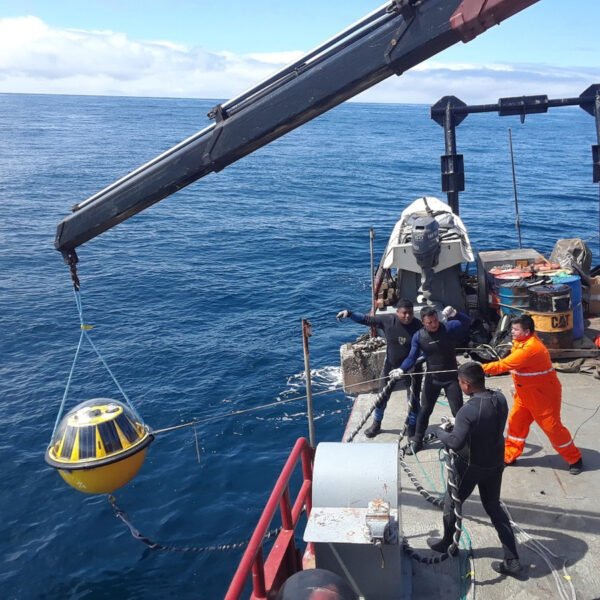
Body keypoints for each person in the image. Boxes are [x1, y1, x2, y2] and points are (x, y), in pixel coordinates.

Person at [428, 362, 523, 578]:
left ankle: (446, 543)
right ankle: (512, 559)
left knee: (451, 502)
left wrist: (438, 431)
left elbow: (454, 442)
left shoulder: (468, 410)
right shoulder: (499, 398)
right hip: (496, 463)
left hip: (471, 466)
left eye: (460, 383)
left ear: (466, 385)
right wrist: (461, 424)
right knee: (493, 507)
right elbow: (484, 423)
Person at [481, 314, 583, 474]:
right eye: (512, 329)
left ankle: (575, 459)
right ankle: (509, 456)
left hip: (543, 396)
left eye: (515, 329)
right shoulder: (520, 343)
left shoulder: (531, 349)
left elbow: (504, 365)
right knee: (516, 424)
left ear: (527, 331)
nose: (512, 332)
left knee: (552, 429)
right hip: (525, 394)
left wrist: (477, 369)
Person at [336, 299, 422, 438]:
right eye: (404, 313)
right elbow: (367, 319)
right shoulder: (388, 320)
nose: (408, 316)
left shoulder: (418, 327)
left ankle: (412, 426)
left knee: (413, 400)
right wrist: (349, 313)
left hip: (412, 368)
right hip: (391, 365)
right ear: (397, 313)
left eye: (410, 313)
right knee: (382, 397)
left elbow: (420, 352)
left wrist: (406, 368)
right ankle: (376, 423)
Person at [395, 305, 471, 453]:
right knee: (425, 410)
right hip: (432, 379)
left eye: (435, 320)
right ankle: (417, 441)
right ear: (423, 323)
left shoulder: (449, 328)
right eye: (429, 323)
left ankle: (464, 441)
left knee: (458, 412)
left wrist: (456, 313)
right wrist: (401, 369)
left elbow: (467, 323)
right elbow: (412, 357)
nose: (433, 324)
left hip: (451, 379)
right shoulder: (419, 336)